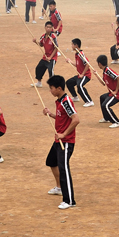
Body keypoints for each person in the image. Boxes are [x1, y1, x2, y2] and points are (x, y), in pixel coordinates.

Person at [42, 75, 79, 209]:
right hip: (59, 140)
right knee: (51, 161)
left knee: (64, 169)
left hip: (66, 141)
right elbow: (61, 117)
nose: (50, 91)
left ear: (59, 88)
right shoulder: (59, 101)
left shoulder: (66, 101)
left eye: (51, 88)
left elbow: (75, 119)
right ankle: (59, 187)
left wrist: (63, 134)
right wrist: (50, 114)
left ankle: (69, 200)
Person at [96, 54, 119, 128]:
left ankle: (117, 122)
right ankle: (106, 117)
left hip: (116, 94)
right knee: (102, 98)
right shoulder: (104, 71)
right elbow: (103, 83)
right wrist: (96, 75)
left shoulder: (108, 71)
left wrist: (116, 91)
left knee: (105, 105)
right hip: (111, 93)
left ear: (99, 64)